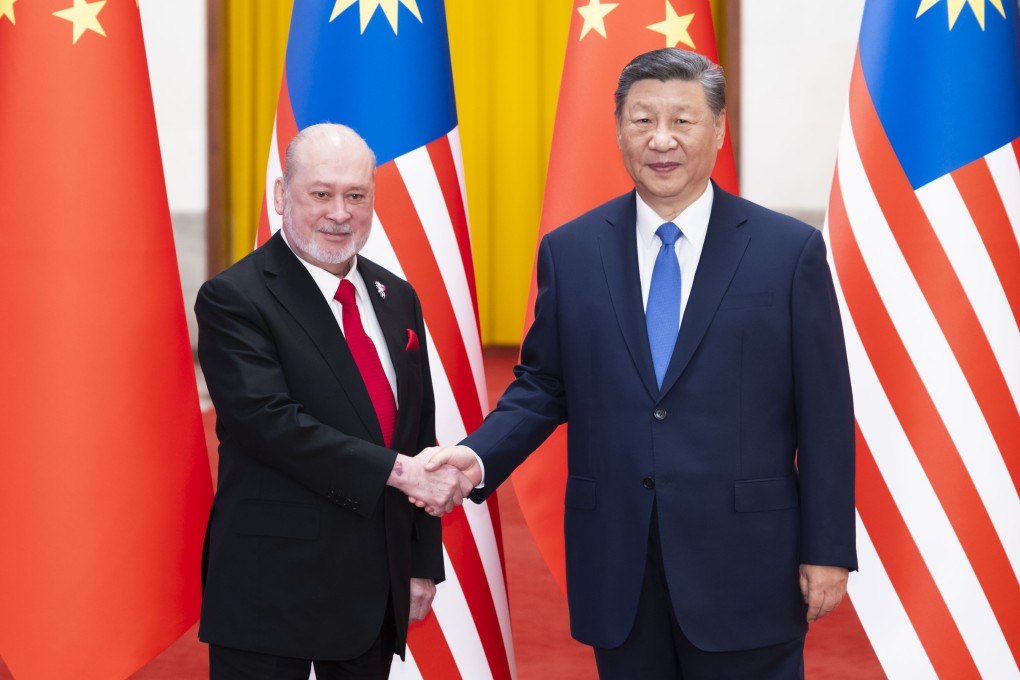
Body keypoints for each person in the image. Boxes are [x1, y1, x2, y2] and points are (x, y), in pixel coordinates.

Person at [420, 48, 857, 679]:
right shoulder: (571, 251)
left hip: (747, 562)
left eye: (682, 120)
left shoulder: (788, 253)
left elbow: (825, 414)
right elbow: (543, 385)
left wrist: (828, 547)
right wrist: (478, 455)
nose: (661, 139)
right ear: (619, 128)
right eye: (643, 119)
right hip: (620, 562)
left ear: (719, 129)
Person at [195, 123, 472, 679]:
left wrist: (419, 562)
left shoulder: (397, 297)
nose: (340, 213)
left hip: (372, 590)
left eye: (356, 195)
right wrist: (401, 474)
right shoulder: (233, 298)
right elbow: (272, 425)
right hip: (270, 590)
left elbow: (418, 432)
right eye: (321, 193)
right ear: (282, 195)